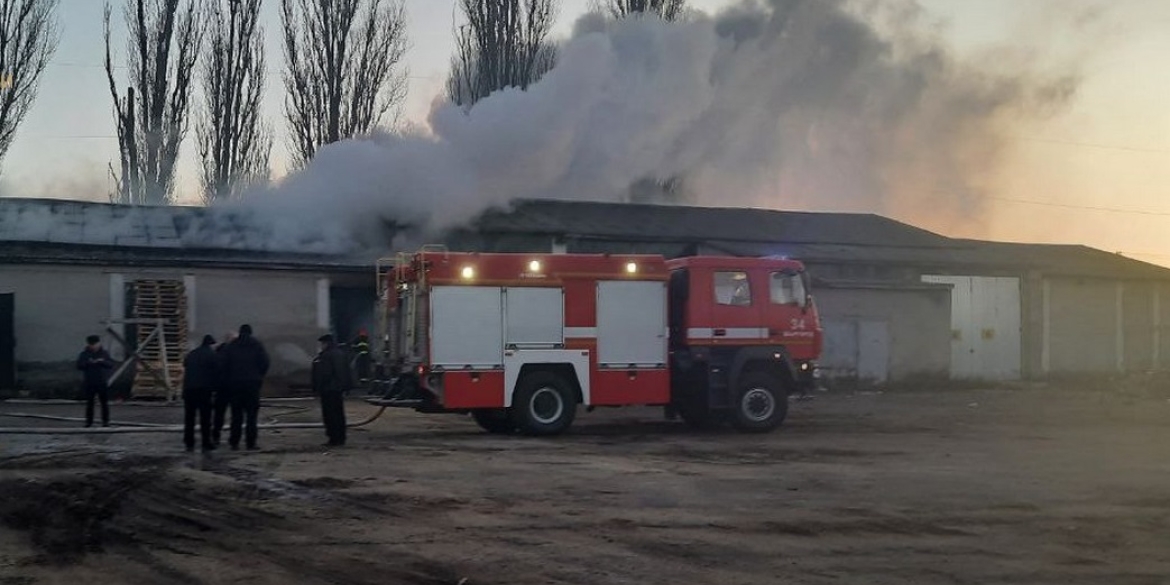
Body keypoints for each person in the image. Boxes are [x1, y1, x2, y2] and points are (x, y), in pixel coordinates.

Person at [223, 324, 269, 451]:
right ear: (251, 332)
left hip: (235, 384)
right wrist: (258, 376)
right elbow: (265, 362)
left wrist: (229, 380)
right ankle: (251, 443)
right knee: (251, 416)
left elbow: (224, 364)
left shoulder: (231, 346)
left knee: (236, 415)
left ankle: (234, 442)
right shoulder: (257, 345)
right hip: (252, 384)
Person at [182, 335, 221, 452]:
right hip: (204, 390)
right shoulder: (212, 355)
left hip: (188, 389)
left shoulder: (192, 354)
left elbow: (185, 365)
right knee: (205, 418)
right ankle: (206, 442)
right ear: (212, 344)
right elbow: (217, 373)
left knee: (189, 418)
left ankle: (189, 442)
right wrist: (216, 389)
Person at [313, 334, 352, 447]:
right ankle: (340, 437)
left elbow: (325, 374)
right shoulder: (340, 354)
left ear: (326, 343)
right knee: (339, 414)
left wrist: (318, 386)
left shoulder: (326, 356)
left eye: (322, 343)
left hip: (328, 389)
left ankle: (333, 438)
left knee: (330, 415)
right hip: (337, 389)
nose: (321, 346)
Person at [76, 335, 114, 427]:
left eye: (95, 344)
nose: (93, 346)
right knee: (90, 403)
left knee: (104, 403)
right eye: (91, 345)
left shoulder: (104, 353)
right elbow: (79, 366)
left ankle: (105, 421)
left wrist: (101, 362)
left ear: (98, 343)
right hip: (89, 382)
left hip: (102, 381)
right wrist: (89, 363)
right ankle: (89, 422)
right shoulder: (84, 354)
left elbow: (110, 364)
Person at [210, 331, 237, 447]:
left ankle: (216, 436)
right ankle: (233, 439)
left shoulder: (217, 351)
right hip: (233, 386)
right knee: (236, 414)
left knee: (219, 413)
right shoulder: (236, 352)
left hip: (221, 387)